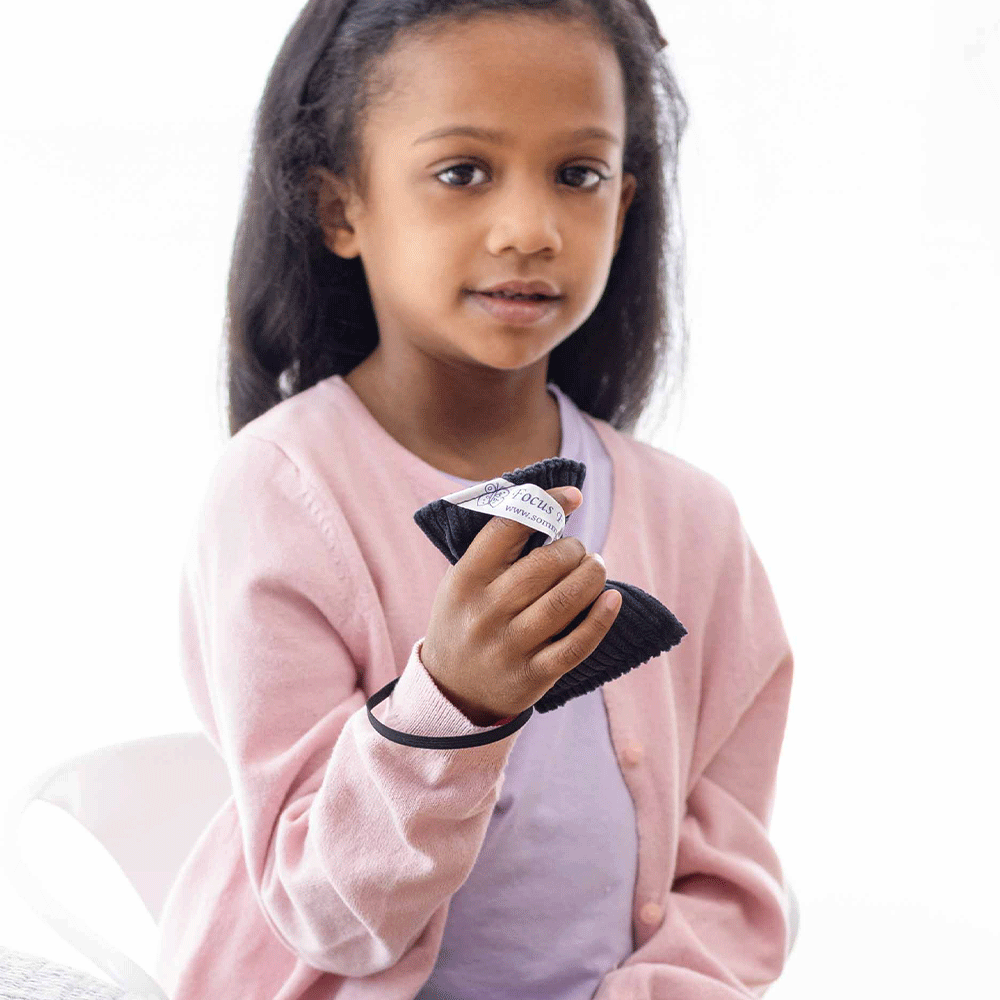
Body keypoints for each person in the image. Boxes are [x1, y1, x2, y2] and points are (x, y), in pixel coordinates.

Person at [155, 0, 796, 997]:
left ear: (622, 206)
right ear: (341, 209)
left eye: (577, 175)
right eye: (462, 172)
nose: (529, 229)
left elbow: (729, 881)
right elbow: (326, 912)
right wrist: (449, 704)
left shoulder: (693, 521)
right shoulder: (281, 492)